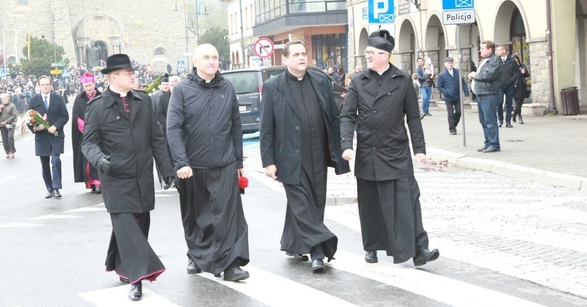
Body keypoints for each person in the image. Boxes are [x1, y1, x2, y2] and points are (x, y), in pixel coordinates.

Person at [340, 29, 440, 267]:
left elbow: (413, 118)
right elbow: (346, 116)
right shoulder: (358, 81)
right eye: (367, 53)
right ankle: (372, 246)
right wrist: (346, 145)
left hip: (396, 151)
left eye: (371, 53)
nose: (367, 56)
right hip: (369, 151)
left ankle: (420, 249)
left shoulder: (403, 80)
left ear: (385, 55)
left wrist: (419, 148)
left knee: (409, 199)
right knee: (371, 203)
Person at [81, 54, 173, 301]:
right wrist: (100, 160)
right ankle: (138, 277)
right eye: (127, 73)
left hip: (142, 176)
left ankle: (120, 264)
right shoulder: (97, 107)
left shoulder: (143, 102)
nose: (133, 76)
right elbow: (88, 143)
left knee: (139, 226)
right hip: (115, 176)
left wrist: (166, 169)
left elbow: (156, 138)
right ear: (114, 77)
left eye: (132, 72)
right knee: (125, 224)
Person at [259, 40, 350, 272]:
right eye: (296, 54)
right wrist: (268, 161)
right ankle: (319, 250)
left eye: (303, 53)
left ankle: (293, 243)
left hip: (318, 152)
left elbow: (333, 116)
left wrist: (342, 146)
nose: (301, 57)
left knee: (316, 202)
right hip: (289, 157)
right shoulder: (273, 87)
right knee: (302, 204)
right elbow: (267, 127)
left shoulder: (320, 81)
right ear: (285, 60)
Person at [166, 44, 250, 282]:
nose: (211, 61)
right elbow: (172, 128)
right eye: (206, 57)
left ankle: (232, 263)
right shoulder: (182, 90)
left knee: (229, 215)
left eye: (214, 57)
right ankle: (195, 254)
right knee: (196, 215)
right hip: (193, 165)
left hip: (224, 162)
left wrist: (238, 160)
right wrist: (181, 162)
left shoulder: (227, 87)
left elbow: (236, 125)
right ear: (195, 61)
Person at [27, 75, 70, 198]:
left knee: (55, 160)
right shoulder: (34, 100)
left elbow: (65, 116)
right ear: (39, 86)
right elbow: (29, 118)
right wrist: (34, 128)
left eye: (47, 84)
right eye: (43, 85)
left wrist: (55, 126)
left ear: (51, 85)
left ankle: (56, 187)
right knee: (44, 163)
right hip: (42, 137)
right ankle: (49, 188)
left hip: (56, 136)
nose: (45, 87)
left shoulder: (58, 99)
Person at [468, 41, 503, 153]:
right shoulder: (483, 60)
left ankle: (494, 144)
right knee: (483, 121)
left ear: (490, 50)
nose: (480, 50)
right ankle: (488, 142)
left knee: (490, 121)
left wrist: (475, 75)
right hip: (481, 94)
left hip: (489, 94)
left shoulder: (495, 60)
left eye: (482, 48)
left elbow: (488, 75)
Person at [72, 73, 101, 193]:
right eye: (86, 86)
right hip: (85, 135)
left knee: (99, 157)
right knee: (87, 161)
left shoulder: (101, 97)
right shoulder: (79, 99)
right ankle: (91, 183)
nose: (88, 88)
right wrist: (87, 129)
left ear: (94, 84)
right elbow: (76, 117)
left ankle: (99, 182)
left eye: (90, 85)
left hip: (101, 134)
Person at [156, 75, 181, 190]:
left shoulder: (184, 96)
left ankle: (179, 178)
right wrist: (169, 124)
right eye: (171, 85)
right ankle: (172, 178)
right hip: (167, 132)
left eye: (174, 85)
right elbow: (159, 114)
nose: (172, 87)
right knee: (170, 156)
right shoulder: (163, 98)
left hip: (182, 132)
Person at [435, 56, 469, 135]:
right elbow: (439, 86)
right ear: (445, 64)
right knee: (450, 113)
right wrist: (446, 93)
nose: (450, 64)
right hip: (448, 97)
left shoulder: (457, 71)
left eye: (451, 63)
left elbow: (463, 83)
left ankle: (453, 124)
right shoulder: (442, 74)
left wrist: (466, 93)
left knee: (459, 112)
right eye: (448, 63)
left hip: (457, 96)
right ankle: (452, 129)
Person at [496, 45, 517, 128]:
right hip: (500, 86)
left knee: (509, 104)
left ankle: (508, 121)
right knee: (500, 102)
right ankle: (500, 120)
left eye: (499, 50)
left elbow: (517, 72)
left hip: (510, 86)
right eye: (497, 50)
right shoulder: (497, 60)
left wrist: (512, 80)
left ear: (504, 51)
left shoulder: (511, 60)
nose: (497, 52)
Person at [0, 93, 18, 158]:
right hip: (2, 125)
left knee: (10, 137)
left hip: (11, 124)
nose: (2, 100)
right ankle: (7, 152)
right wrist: (0, 110)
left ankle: (12, 151)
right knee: (4, 139)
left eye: (3, 99)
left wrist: (7, 121)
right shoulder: (0, 106)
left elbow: (14, 115)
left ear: (8, 98)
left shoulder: (12, 106)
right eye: (1, 99)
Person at [511, 54, 530, 125]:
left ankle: (514, 115)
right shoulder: (511, 67)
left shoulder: (522, 66)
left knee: (520, 103)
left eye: (516, 59)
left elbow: (527, 75)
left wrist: (524, 72)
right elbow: (510, 77)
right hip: (515, 87)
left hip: (522, 86)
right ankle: (520, 117)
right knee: (518, 102)